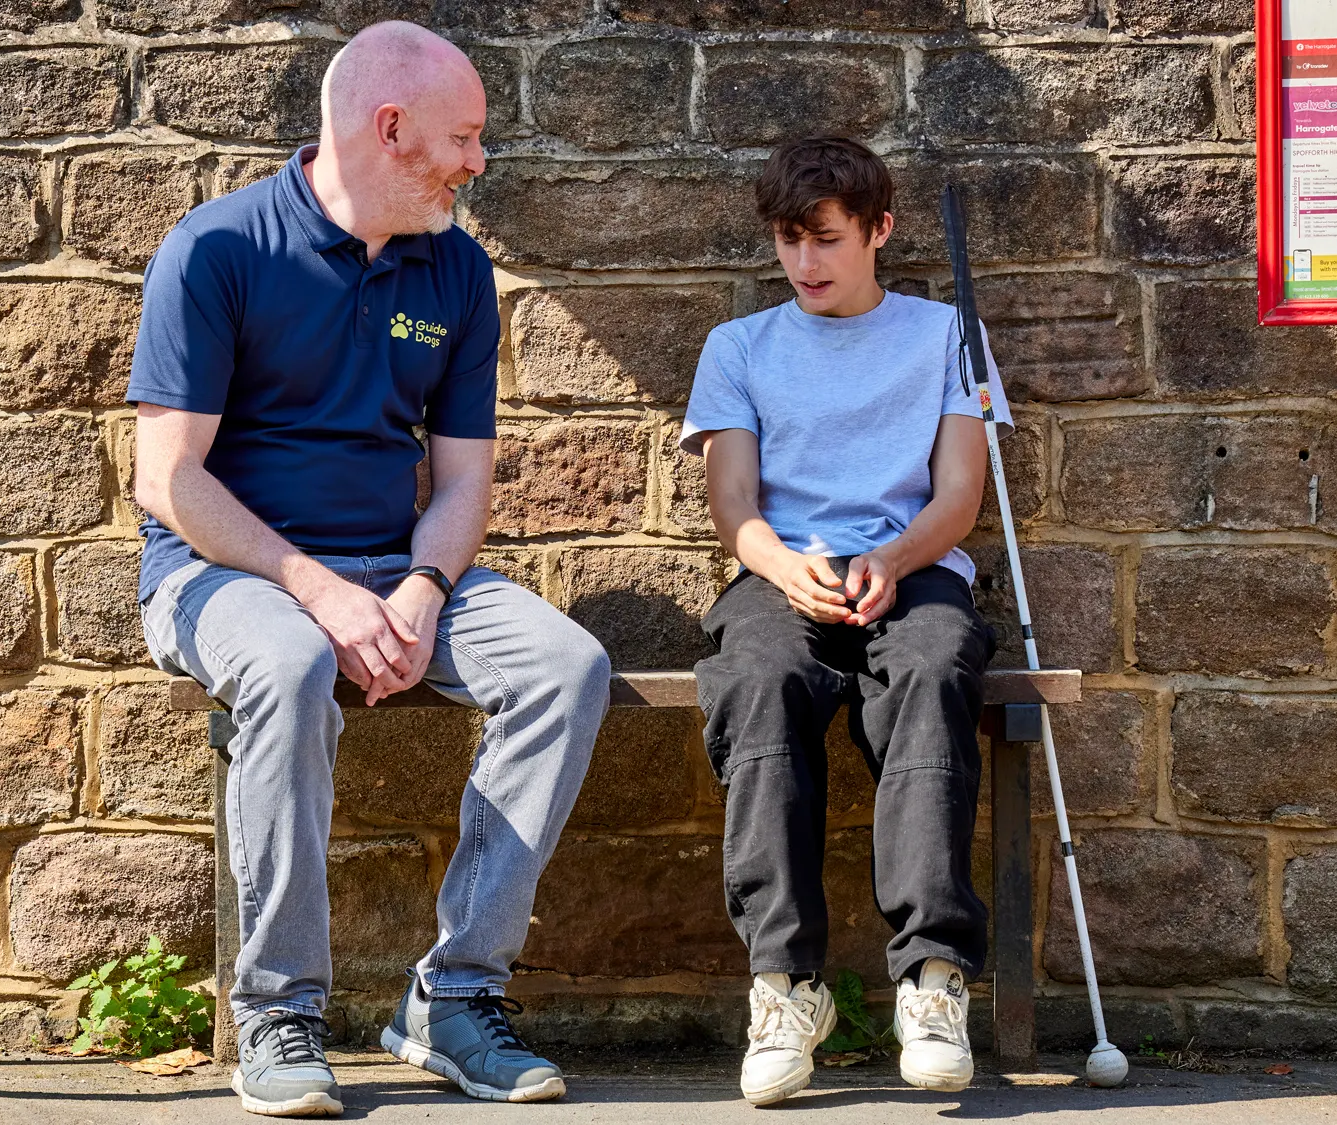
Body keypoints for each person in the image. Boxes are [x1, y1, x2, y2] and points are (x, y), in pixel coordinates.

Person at [128, 21, 610, 1118]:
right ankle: (277, 1012)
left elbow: (459, 488)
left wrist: (419, 591)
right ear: (388, 129)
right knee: (295, 666)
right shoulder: (217, 250)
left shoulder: (455, 269)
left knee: (564, 666)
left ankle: (452, 999)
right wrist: (317, 588)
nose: (478, 162)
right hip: (222, 573)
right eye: (465, 137)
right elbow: (170, 481)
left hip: (396, 569)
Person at [679, 136, 1012, 1107]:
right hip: (783, 576)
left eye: (824, 239)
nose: (804, 263)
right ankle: (784, 987)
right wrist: (788, 568)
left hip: (909, 569)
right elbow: (732, 507)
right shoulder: (738, 347)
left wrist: (892, 560)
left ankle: (931, 981)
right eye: (787, 241)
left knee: (933, 667)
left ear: (879, 230)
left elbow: (957, 495)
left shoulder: (947, 335)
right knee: (758, 683)